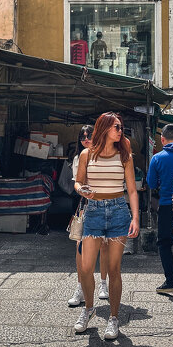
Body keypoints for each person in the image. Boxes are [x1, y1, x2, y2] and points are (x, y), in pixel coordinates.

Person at [73, 112, 140, 340]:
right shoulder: (86, 154)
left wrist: (135, 217)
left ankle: (113, 318)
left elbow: (131, 189)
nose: (120, 131)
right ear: (104, 128)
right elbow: (78, 182)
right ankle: (89, 309)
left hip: (119, 211)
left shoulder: (124, 155)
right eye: (117, 127)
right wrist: (81, 189)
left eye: (121, 128)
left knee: (113, 270)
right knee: (85, 267)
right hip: (93, 211)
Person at [67, 125, 109, 307]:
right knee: (80, 246)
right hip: (85, 204)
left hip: (105, 203)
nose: (86, 138)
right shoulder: (78, 157)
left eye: (89, 135)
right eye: (82, 136)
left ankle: (103, 284)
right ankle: (81, 288)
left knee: (104, 245)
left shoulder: (105, 155)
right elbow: (77, 183)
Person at [146, 124, 173, 294]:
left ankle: (171, 281)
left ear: (162, 140)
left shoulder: (157, 158)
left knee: (164, 243)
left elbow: (151, 183)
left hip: (167, 205)